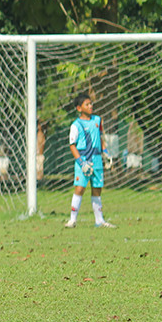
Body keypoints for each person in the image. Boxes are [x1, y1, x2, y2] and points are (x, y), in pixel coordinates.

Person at [64, 92, 115, 228]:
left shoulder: (98, 120)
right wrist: (81, 163)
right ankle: (72, 220)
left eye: (91, 103)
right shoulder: (76, 125)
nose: (90, 106)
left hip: (97, 160)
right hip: (84, 161)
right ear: (79, 108)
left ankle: (100, 221)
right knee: (80, 189)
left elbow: (100, 139)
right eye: (87, 104)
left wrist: (106, 153)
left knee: (97, 189)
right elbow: (72, 146)